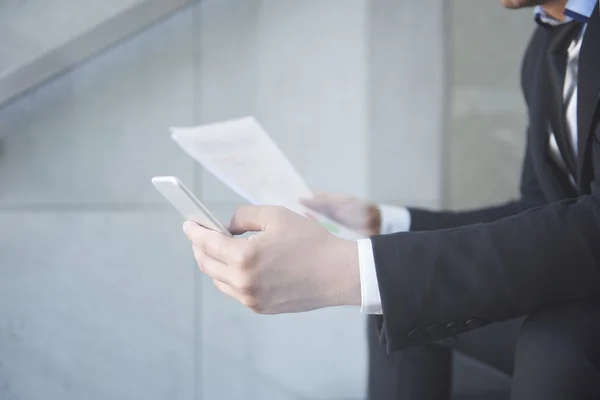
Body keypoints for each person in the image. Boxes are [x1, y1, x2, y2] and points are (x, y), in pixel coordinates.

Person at [184, 0, 600, 398]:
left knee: (555, 348)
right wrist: (383, 223)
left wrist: (355, 271)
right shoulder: (544, 50)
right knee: (408, 312)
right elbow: (541, 209)